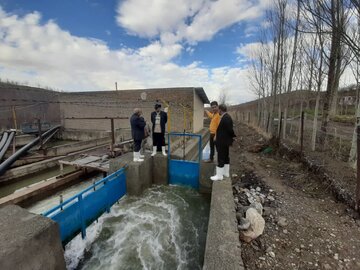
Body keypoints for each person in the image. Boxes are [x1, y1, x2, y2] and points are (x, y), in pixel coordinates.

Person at [210, 104, 236, 181]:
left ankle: (219, 176)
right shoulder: (226, 117)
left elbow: (230, 130)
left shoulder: (226, 118)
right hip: (224, 141)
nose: (218, 111)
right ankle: (226, 172)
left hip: (222, 141)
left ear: (220, 110)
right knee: (225, 157)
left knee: (221, 157)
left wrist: (232, 137)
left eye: (218, 110)